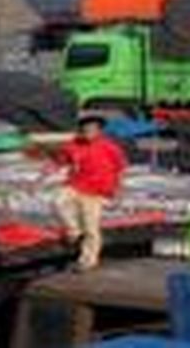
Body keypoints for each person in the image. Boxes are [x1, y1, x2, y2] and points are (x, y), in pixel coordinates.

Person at [47, 114, 127, 271]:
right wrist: (47, 170)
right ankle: (74, 230)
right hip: (77, 185)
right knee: (57, 200)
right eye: (85, 129)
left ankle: (87, 261)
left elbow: (121, 169)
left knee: (91, 227)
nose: (88, 131)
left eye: (92, 129)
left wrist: (119, 190)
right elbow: (61, 160)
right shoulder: (74, 145)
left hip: (97, 191)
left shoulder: (110, 147)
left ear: (99, 131)